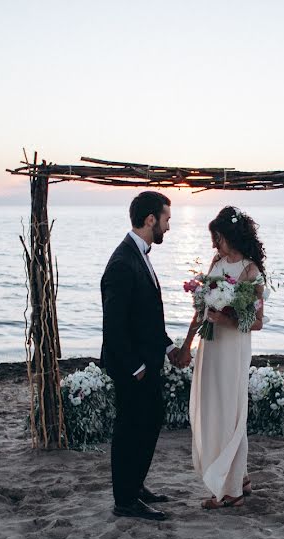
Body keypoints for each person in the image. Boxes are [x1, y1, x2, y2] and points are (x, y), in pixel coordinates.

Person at [101, 191, 182, 521]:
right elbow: (114, 324)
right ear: (151, 219)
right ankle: (125, 500)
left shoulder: (140, 255)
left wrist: (168, 347)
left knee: (149, 422)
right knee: (130, 429)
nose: (168, 227)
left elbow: (146, 317)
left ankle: (135, 485)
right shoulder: (122, 263)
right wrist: (135, 367)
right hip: (132, 367)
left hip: (147, 361)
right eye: (166, 220)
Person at [178, 206, 266, 509]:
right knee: (215, 407)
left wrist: (225, 319)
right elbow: (200, 307)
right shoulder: (216, 262)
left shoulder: (251, 272)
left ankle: (231, 492)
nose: (215, 244)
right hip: (211, 345)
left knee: (231, 410)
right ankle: (239, 477)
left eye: (218, 237)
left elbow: (257, 322)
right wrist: (189, 342)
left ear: (229, 235)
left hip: (233, 348)